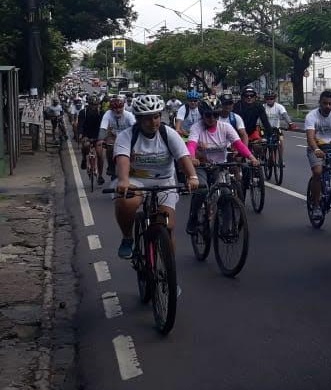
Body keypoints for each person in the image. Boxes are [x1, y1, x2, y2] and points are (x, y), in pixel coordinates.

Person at [112, 95, 199, 262]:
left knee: (168, 227)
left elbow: (183, 157)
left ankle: (170, 276)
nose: (153, 123)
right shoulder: (127, 136)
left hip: (165, 181)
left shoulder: (169, 134)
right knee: (125, 201)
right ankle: (128, 237)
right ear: (138, 120)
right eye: (147, 119)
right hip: (136, 181)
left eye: (156, 117)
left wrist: (192, 177)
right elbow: (122, 158)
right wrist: (123, 180)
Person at [184, 98, 260, 236]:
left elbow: (239, 144)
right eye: (208, 115)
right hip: (201, 166)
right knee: (201, 190)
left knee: (226, 194)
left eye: (216, 115)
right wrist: (192, 158)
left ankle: (227, 228)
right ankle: (193, 218)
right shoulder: (197, 127)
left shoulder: (226, 127)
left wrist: (252, 158)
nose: (212, 118)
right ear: (202, 115)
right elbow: (191, 145)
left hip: (220, 166)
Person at [304, 90, 331, 220]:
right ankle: (316, 206)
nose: (327, 106)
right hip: (316, 147)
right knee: (318, 172)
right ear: (320, 103)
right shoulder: (311, 116)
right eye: (325, 103)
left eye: (330, 103)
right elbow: (310, 138)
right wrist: (316, 149)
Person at [100, 95, 135, 180]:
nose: (118, 110)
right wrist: (101, 139)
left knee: (134, 152)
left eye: (120, 108)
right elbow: (103, 128)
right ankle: (111, 167)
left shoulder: (128, 115)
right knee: (109, 148)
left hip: (127, 137)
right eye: (115, 108)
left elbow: (135, 128)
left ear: (123, 107)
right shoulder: (108, 114)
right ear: (111, 109)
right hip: (113, 137)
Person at [262, 90, 294, 164]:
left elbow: (285, 115)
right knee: (263, 142)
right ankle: (263, 154)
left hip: (276, 129)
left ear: (275, 99)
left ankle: (280, 159)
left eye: (271, 98)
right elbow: (257, 118)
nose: (269, 100)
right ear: (265, 99)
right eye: (267, 98)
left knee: (281, 141)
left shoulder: (279, 107)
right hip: (265, 129)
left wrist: (290, 123)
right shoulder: (263, 107)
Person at [77, 96, 105, 174]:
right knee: (86, 145)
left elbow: (104, 126)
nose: (94, 106)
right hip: (86, 134)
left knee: (100, 154)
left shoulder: (101, 113)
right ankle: (84, 159)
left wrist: (104, 137)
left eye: (96, 104)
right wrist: (80, 134)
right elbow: (80, 124)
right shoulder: (83, 112)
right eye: (92, 104)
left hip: (98, 135)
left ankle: (100, 175)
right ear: (88, 104)